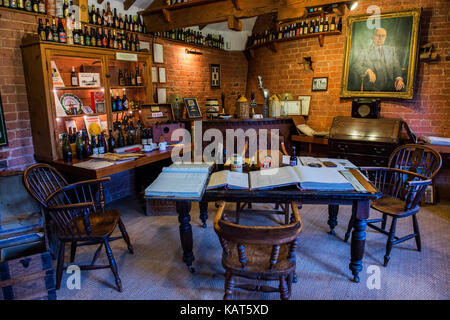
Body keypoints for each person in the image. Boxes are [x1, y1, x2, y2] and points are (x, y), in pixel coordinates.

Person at [349, 28, 406, 92]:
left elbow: (397, 67)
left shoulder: (391, 50)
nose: (380, 38)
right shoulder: (365, 51)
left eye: (383, 36)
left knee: (405, 90)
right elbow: (354, 66)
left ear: (385, 37)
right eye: (378, 35)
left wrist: (399, 78)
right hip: (374, 86)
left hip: (392, 85)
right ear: (372, 37)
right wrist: (367, 70)